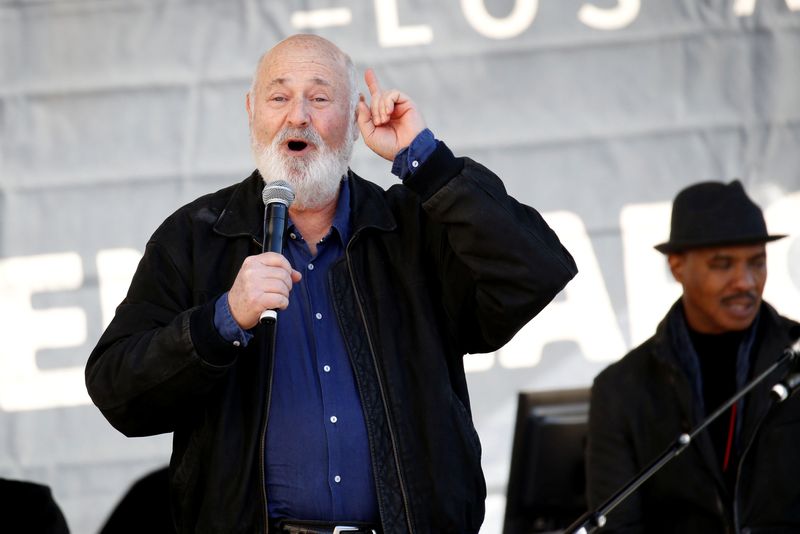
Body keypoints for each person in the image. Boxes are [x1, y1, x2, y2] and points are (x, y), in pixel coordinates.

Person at [85, 34, 577, 534]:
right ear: (252, 111)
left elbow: (536, 271)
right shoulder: (196, 238)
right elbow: (118, 392)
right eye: (279, 97)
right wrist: (222, 320)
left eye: (319, 98)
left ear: (355, 118)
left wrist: (427, 163)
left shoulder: (412, 230)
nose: (297, 116)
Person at [586, 180, 800, 533]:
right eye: (723, 265)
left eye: (757, 262)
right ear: (677, 267)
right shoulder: (620, 389)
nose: (745, 282)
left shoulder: (796, 355)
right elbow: (616, 526)